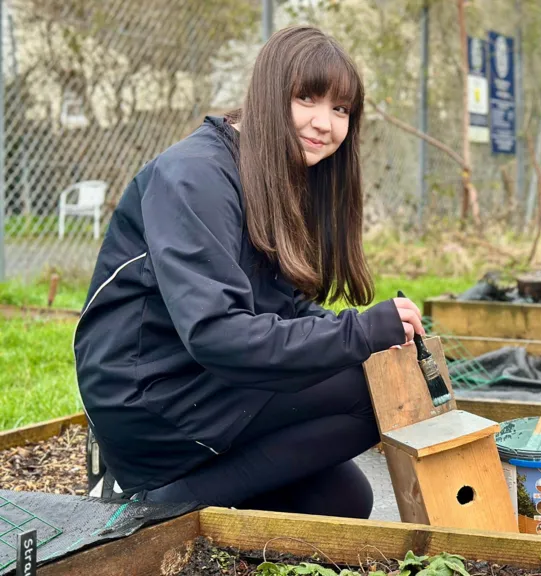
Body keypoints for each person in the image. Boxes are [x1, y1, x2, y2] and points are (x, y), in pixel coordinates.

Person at [73, 26, 424, 519]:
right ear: (268, 94)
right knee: (374, 391)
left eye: (341, 109)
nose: (325, 123)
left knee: (343, 501)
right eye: (307, 98)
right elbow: (217, 333)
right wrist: (360, 331)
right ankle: (154, 504)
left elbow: (282, 304)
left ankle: (198, 493)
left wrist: (379, 334)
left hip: (213, 384)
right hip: (151, 401)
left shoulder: (274, 173)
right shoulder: (196, 175)